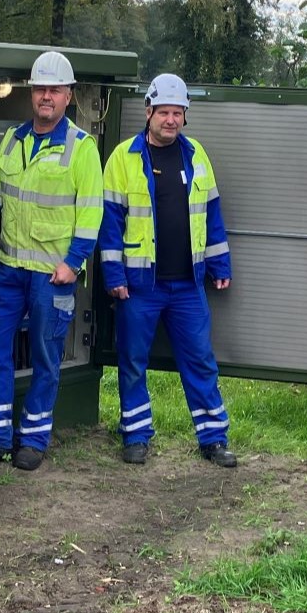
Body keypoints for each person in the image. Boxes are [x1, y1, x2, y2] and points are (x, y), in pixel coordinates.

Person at [0, 51, 103, 471]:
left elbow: (91, 212)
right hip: (7, 267)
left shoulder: (82, 148)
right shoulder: (14, 138)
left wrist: (73, 262)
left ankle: (35, 438)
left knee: (45, 355)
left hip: (52, 275)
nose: (46, 97)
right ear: (32, 93)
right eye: (40, 89)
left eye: (54, 91)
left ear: (68, 96)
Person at [98, 73, 237, 468]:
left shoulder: (196, 155)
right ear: (148, 113)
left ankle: (213, 439)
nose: (171, 120)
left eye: (178, 113)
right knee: (132, 361)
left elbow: (211, 214)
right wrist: (114, 277)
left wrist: (219, 264)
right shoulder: (123, 158)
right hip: (140, 286)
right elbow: (109, 224)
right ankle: (136, 436)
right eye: (164, 112)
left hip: (189, 285)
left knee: (200, 362)